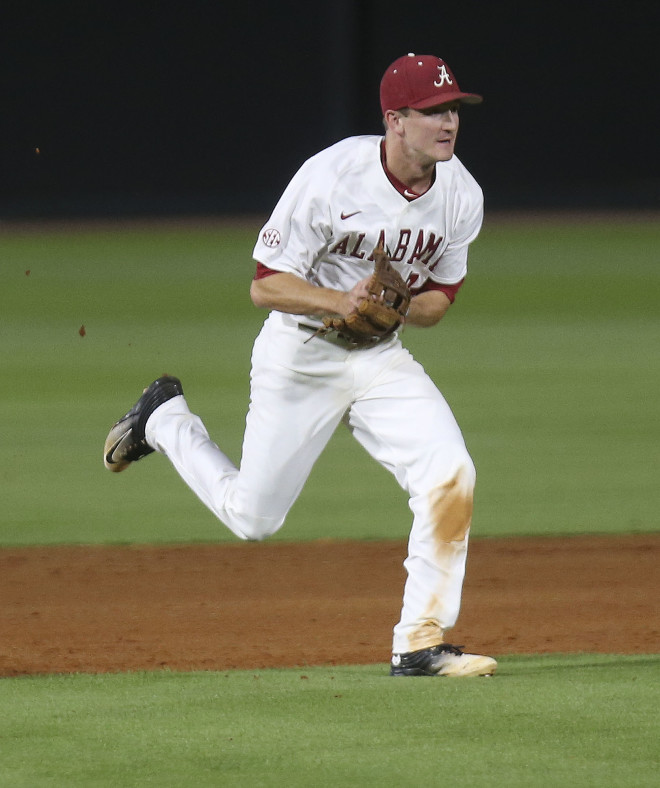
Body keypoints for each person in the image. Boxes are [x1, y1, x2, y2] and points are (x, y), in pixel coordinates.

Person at [104, 53, 497, 677]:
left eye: (453, 109)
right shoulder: (332, 176)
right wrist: (341, 301)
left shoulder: (462, 195)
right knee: (254, 518)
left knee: (451, 474)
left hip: (379, 360)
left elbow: (439, 300)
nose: (448, 122)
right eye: (431, 112)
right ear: (394, 120)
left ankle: (418, 642)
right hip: (301, 354)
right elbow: (266, 285)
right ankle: (164, 419)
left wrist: (400, 310)